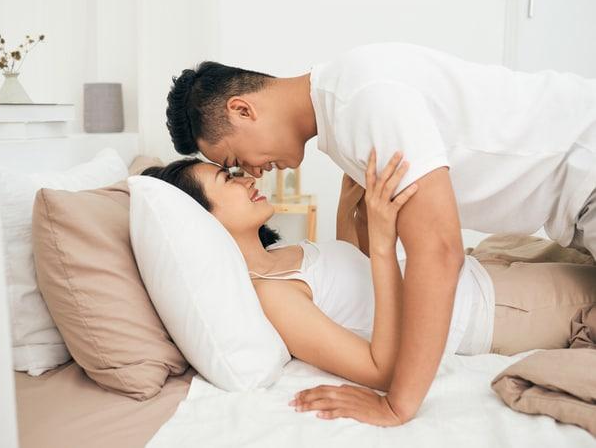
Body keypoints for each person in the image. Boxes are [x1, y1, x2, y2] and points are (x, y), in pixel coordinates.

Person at [163, 43, 596, 425]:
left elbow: (440, 251)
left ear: (242, 109)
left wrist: (398, 406)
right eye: (233, 171)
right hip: (569, 205)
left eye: (238, 158)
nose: (253, 173)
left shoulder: (362, 103)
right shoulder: (342, 111)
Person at [141, 152, 596, 420]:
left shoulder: (283, 259)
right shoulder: (271, 294)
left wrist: (352, 200)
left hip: (482, 276)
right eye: (228, 179)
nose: (247, 180)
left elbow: (350, 284)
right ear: (204, 218)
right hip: (496, 311)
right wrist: (383, 239)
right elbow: (380, 368)